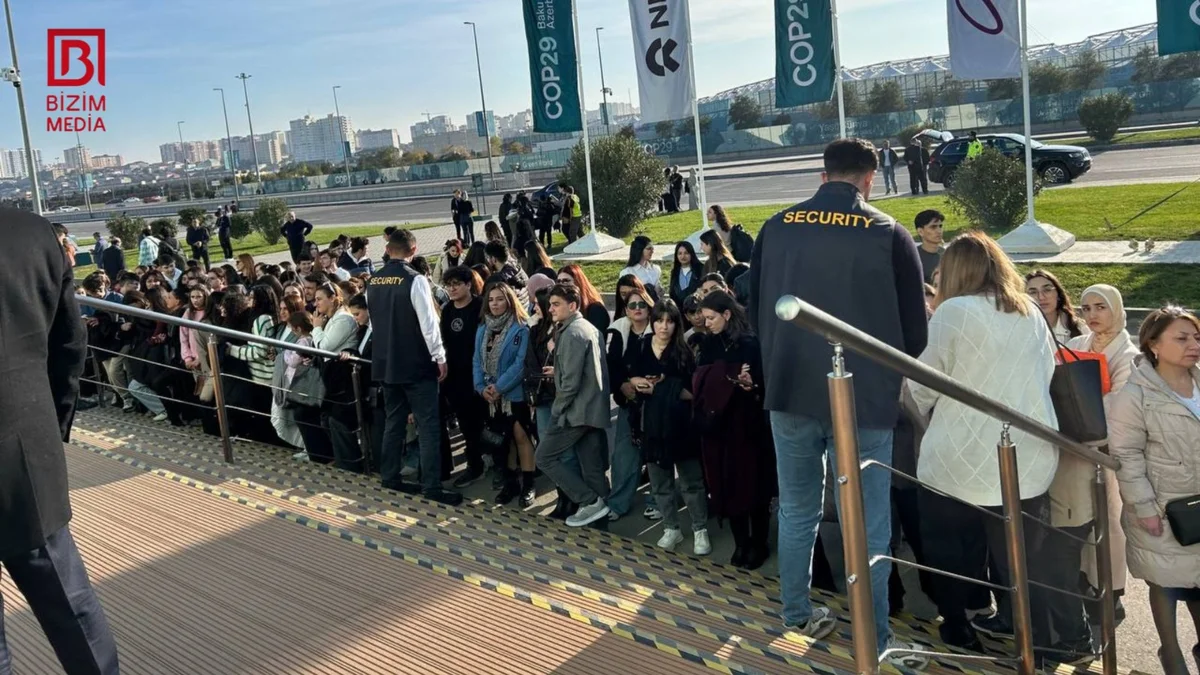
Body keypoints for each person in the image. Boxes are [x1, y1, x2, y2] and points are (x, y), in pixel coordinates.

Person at [749, 138, 928, 668]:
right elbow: (914, 335)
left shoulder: (775, 226)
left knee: (798, 507)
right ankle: (872, 633)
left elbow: (757, 308)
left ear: (822, 174)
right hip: (864, 398)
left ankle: (796, 613)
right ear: (870, 178)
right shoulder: (888, 232)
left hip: (789, 390)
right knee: (868, 523)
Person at [910, 232, 1059, 657]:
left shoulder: (953, 310)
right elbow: (1046, 372)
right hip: (1027, 455)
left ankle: (957, 624)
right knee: (1016, 553)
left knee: (946, 543)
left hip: (959, 456)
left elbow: (926, 382)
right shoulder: (1029, 309)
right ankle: (1027, 633)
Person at [0, 208, 120, 674]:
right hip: (26, 453)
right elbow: (70, 344)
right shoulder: (32, 231)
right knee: (71, 606)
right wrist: (48, 425)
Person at [1044, 284, 1137, 653]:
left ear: (1117, 309)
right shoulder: (1079, 344)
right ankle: (1088, 586)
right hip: (1074, 446)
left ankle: (1109, 592)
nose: (1093, 314)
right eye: (1086, 307)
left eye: (1101, 306)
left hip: (1107, 452)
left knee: (1109, 522)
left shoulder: (1129, 354)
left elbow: (1121, 405)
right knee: (1079, 521)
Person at [1109, 306, 1200, 675]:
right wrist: (1144, 506)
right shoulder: (1136, 395)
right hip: (1163, 507)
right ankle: (1171, 654)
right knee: (1165, 580)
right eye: (1181, 337)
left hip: (1198, 504)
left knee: (1197, 580)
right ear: (1153, 345)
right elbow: (1125, 454)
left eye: (1196, 337)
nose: (1193, 344)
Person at [370, 229, 462, 505]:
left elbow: (377, 322)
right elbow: (429, 324)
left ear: (388, 249)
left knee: (394, 422)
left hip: (386, 364)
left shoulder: (373, 280)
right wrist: (440, 356)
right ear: (413, 250)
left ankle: (390, 476)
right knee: (428, 425)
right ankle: (431, 485)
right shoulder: (415, 280)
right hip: (416, 364)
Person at [692, 291, 773, 565]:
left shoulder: (750, 343)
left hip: (748, 426)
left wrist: (751, 384)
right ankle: (741, 543)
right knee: (729, 484)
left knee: (755, 486)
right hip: (721, 426)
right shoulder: (709, 343)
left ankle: (759, 543)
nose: (707, 323)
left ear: (727, 314)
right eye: (704, 318)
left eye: (712, 318)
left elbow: (762, 381)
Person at [634, 299, 710, 554]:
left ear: (677, 324)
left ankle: (700, 529)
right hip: (652, 425)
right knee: (660, 482)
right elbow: (628, 377)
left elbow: (693, 392)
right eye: (658, 320)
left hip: (680, 425)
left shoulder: (684, 352)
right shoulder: (643, 347)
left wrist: (664, 386)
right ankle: (671, 528)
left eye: (669, 321)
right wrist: (637, 382)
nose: (663, 326)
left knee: (691, 481)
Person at [534, 284, 613, 527]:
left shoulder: (572, 333)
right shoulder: (585, 328)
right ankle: (604, 512)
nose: (551, 309)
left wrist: (558, 411)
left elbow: (570, 384)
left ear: (573, 305)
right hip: (590, 410)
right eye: (550, 304)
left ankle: (589, 502)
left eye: (556, 304)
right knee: (590, 465)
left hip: (576, 412)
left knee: (543, 457)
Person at [474, 281, 537, 506]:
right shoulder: (483, 328)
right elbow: (476, 360)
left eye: (500, 299)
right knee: (504, 441)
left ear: (509, 300)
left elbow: (520, 364)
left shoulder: (520, 327)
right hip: (490, 396)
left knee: (520, 436)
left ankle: (528, 485)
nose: (495, 304)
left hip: (513, 393)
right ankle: (511, 483)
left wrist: (499, 387)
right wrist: (481, 388)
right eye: (491, 300)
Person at [607, 283, 656, 521]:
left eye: (641, 304)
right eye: (632, 305)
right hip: (629, 404)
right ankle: (618, 503)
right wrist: (623, 385)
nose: (637, 309)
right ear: (626, 310)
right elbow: (612, 365)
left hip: (655, 405)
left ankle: (657, 501)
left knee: (656, 456)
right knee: (623, 456)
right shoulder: (618, 331)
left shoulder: (660, 330)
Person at [441, 265, 488, 488]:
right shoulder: (448, 310)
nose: (452, 289)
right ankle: (475, 465)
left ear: (468, 285)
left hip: (480, 375)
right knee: (467, 425)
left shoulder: (480, 307)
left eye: (456, 284)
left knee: (486, 423)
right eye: (448, 285)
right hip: (455, 377)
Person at [1025, 269, 1087, 344]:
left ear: (1058, 294)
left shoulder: (1081, 329)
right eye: (1033, 292)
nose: (1041, 297)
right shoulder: (1019, 330)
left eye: (1047, 290)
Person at [555, 264, 610, 334]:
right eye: (558, 281)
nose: (561, 285)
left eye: (566, 281)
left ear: (578, 282)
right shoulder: (561, 308)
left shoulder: (596, 309)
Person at [484, 240, 530, 307]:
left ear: (494, 259)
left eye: (487, 257)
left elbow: (485, 303)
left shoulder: (496, 280)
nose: (487, 261)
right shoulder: (518, 269)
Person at [914, 209, 945, 284]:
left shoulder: (948, 255)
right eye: (933, 227)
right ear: (920, 231)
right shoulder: (913, 258)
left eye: (940, 226)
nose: (939, 231)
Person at [669, 241, 704, 306]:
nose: (683, 256)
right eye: (680, 253)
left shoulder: (701, 269)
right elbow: (672, 293)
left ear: (691, 254)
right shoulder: (674, 272)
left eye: (686, 253)